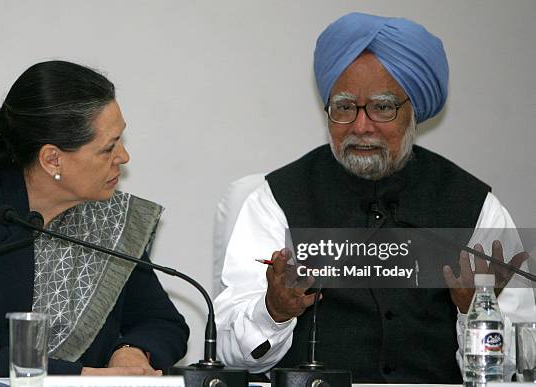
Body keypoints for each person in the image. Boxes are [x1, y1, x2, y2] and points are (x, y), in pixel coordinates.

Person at [214, 12, 536, 383]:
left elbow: (517, 368)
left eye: (382, 107)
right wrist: (273, 311)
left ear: (413, 111)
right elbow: (230, 357)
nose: (361, 125)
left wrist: (473, 312)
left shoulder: (474, 207)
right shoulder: (277, 200)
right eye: (345, 107)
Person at [0, 60, 189, 376]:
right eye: (108, 148)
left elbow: (161, 321)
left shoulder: (109, 219)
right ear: (53, 159)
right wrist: (85, 377)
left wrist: (130, 355)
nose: (123, 157)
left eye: (121, 140)